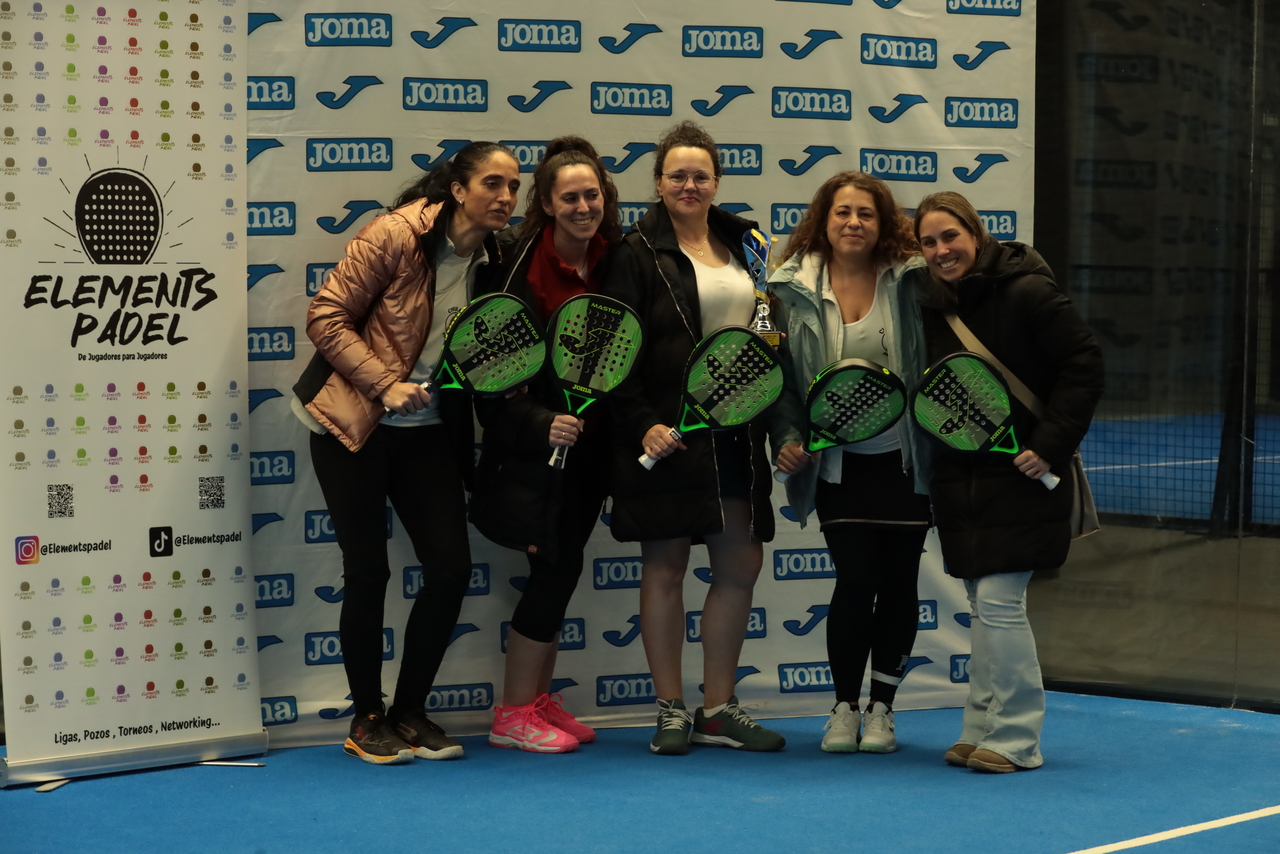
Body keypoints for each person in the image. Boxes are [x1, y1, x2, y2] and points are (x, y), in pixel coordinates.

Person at [291, 142, 521, 764]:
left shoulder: (497, 257)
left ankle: (410, 712)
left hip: (429, 430)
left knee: (450, 569)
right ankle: (366, 718)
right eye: (493, 183)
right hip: (352, 422)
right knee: (368, 572)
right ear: (458, 189)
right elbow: (326, 316)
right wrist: (383, 383)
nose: (506, 197)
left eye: (513, 187)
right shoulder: (395, 234)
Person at [604, 121, 792, 755]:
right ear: (658, 182)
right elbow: (615, 350)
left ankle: (718, 708)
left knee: (740, 564)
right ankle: (670, 710)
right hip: (667, 436)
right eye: (677, 175)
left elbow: (766, 327)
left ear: (717, 182)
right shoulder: (634, 252)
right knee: (665, 567)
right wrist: (643, 423)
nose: (690, 185)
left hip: (736, 433)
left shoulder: (750, 244)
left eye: (701, 175)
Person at [912, 191, 1103, 773]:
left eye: (951, 236)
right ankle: (981, 727)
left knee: (998, 604)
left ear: (976, 234)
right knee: (981, 605)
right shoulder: (932, 303)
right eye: (929, 242)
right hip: (960, 480)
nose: (942, 250)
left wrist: (1048, 446)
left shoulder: (1028, 291)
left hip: (1023, 476)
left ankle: (1019, 737)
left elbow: (1084, 364)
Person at [770, 172, 933, 754]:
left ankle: (883, 710)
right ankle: (843, 709)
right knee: (856, 581)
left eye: (866, 213)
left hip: (906, 464)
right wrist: (788, 437)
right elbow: (783, 381)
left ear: (882, 223)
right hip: (837, 469)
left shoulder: (912, 280)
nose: (853, 223)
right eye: (842, 212)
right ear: (824, 220)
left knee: (900, 584)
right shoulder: (786, 291)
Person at [470, 136, 623, 753]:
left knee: (563, 568)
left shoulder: (617, 258)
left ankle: (534, 700)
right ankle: (511, 715)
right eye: (570, 198)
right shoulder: (514, 269)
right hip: (537, 455)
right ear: (548, 204)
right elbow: (490, 381)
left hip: (594, 450)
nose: (583, 207)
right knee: (554, 569)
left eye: (592, 195)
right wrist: (540, 424)